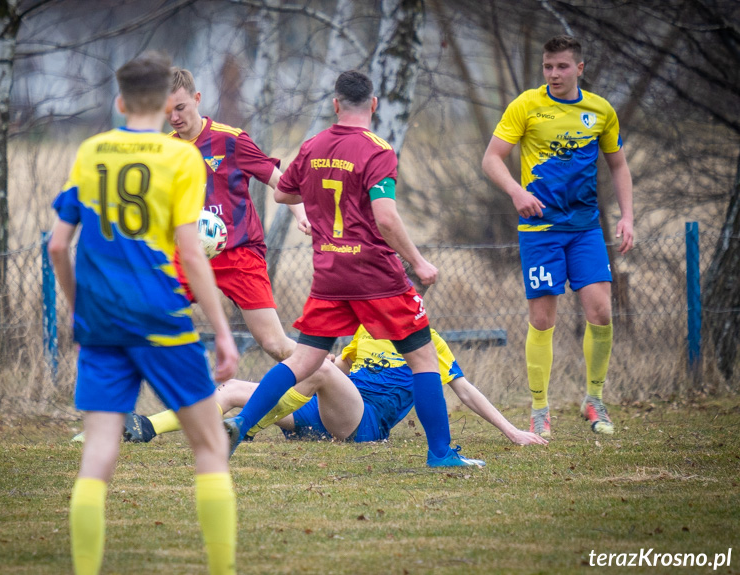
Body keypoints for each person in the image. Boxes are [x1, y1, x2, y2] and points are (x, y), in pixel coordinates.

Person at [48, 51, 239, 575]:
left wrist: (77, 311)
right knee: (209, 444)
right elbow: (192, 253)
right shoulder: (182, 159)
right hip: (161, 318)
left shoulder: (91, 152)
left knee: (99, 455)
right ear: (163, 103)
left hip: (102, 322)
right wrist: (222, 333)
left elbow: (59, 247)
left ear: (120, 100)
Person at [224, 69, 475, 468]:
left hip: (330, 273)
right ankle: (441, 454)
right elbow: (387, 218)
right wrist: (418, 261)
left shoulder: (312, 146)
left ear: (335, 104)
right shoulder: (378, 150)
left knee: (303, 361)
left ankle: (241, 421)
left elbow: (285, 191)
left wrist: (319, 192)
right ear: (373, 105)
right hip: (376, 275)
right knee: (424, 361)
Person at [481, 35, 634, 438]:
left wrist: (627, 217)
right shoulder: (527, 105)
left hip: (585, 229)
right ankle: (539, 409)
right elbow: (491, 158)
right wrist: (517, 192)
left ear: (579, 68)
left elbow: (618, 166)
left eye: (562, 67)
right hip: (540, 232)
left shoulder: (599, 110)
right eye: (548, 66)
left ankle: (594, 400)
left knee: (600, 312)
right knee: (542, 320)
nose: (554, 74)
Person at [117, 326, 549, 453]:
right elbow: (329, 373)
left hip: (362, 424)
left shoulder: (427, 341)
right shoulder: (365, 329)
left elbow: (466, 392)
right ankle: (148, 427)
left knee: (320, 369)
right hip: (318, 414)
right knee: (230, 387)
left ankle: (243, 429)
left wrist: (511, 431)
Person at [166, 68, 309, 362]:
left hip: (238, 252)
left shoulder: (230, 140)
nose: (174, 117)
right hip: (187, 253)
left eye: (180, 108)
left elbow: (278, 180)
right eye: (167, 111)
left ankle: (337, 379)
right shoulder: (164, 151)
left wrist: (301, 214)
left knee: (275, 344)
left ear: (197, 99)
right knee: (154, 327)